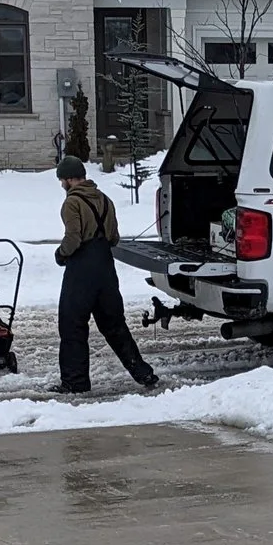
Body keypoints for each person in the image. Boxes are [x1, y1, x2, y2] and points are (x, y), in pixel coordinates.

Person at [52, 155, 157, 394]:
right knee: (114, 325)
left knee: (72, 324)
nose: (61, 185)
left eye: (62, 180)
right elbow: (114, 237)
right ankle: (143, 373)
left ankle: (75, 382)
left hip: (81, 269)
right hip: (105, 267)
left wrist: (61, 253)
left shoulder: (72, 203)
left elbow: (73, 237)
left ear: (70, 179)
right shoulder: (105, 200)